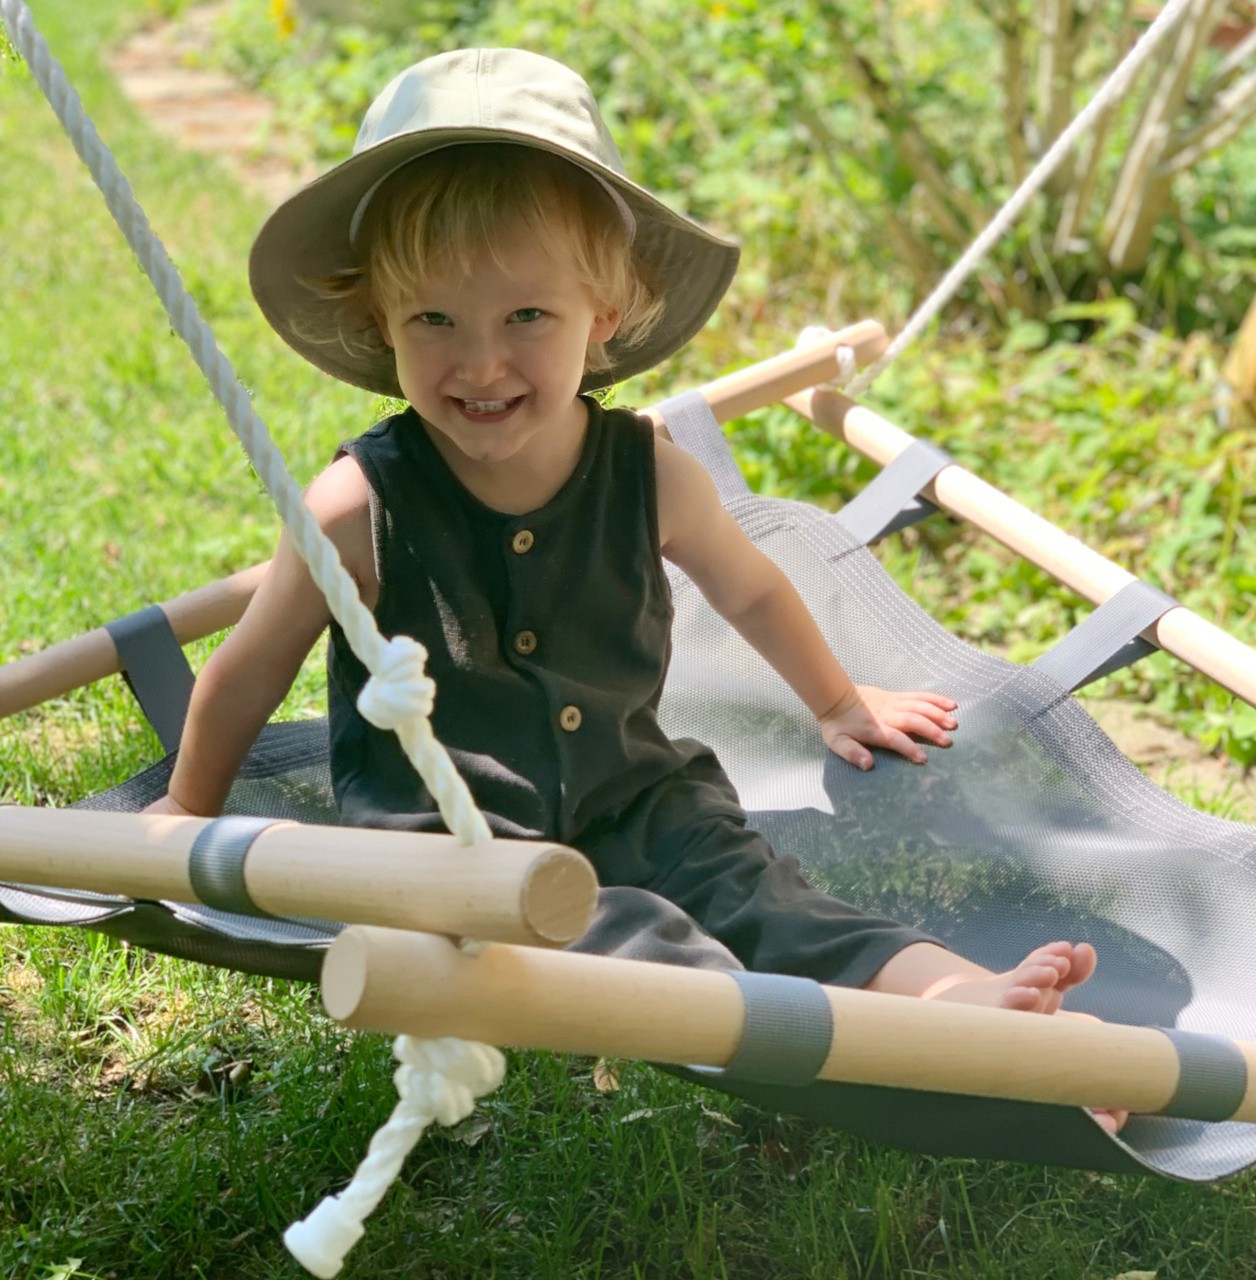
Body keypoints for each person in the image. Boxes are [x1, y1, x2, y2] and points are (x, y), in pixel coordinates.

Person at [144, 48, 1118, 1126]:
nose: (480, 364)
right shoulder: (356, 506)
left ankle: (962, 999)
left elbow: (752, 590)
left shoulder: (649, 473)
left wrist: (840, 702)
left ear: (603, 312)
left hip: (638, 795)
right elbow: (248, 668)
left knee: (763, 892)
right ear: (381, 320)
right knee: (620, 936)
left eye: (527, 317)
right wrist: (187, 812)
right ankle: (883, 1047)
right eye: (434, 321)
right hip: (452, 849)